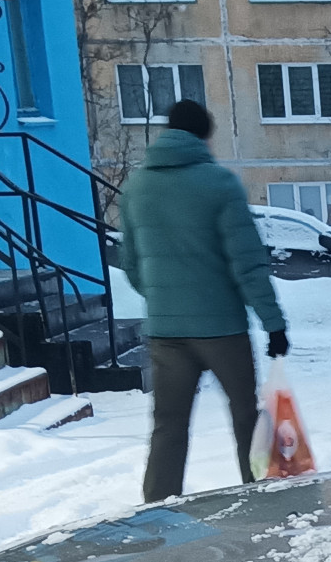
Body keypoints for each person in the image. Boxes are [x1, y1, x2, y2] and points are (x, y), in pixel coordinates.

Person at [116, 97, 290, 502]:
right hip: (221, 329)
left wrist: (162, 297)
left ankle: (157, 507)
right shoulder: (219, 184)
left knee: (168, 424)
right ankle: (263, 501)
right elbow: (247, 263)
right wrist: (273, 323)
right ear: (205, 135)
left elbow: (130, 262)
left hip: (166, 331)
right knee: (246, 415)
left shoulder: (136, 186)